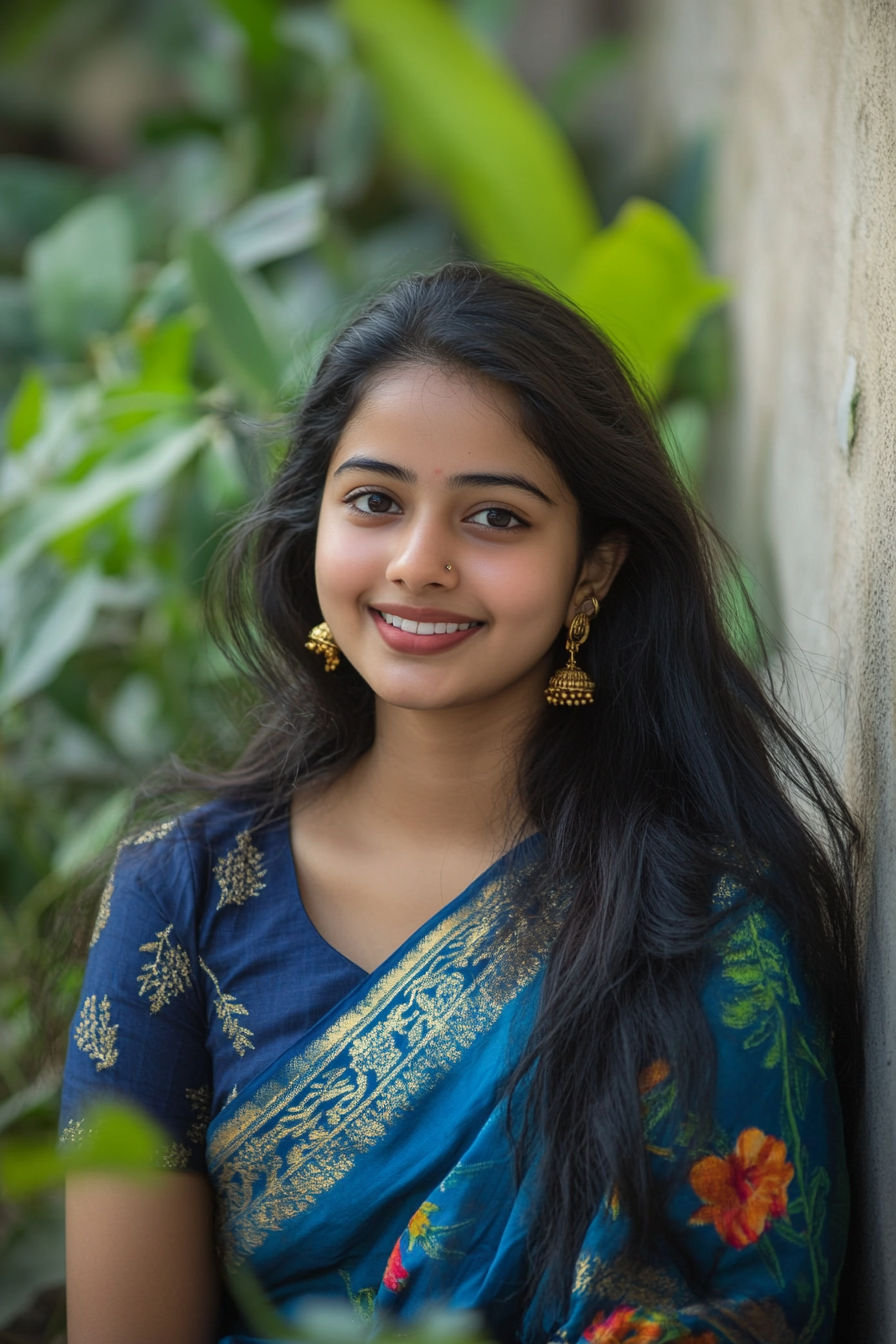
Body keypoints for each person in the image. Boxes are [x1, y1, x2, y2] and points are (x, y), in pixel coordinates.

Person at [60, 264, 859, 1344]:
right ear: (315, 527)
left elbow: (756, 1311)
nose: (418, 561)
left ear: (592, 571)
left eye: (494, 517)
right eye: (374, 502)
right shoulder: (181, 898)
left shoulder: (704, 928)